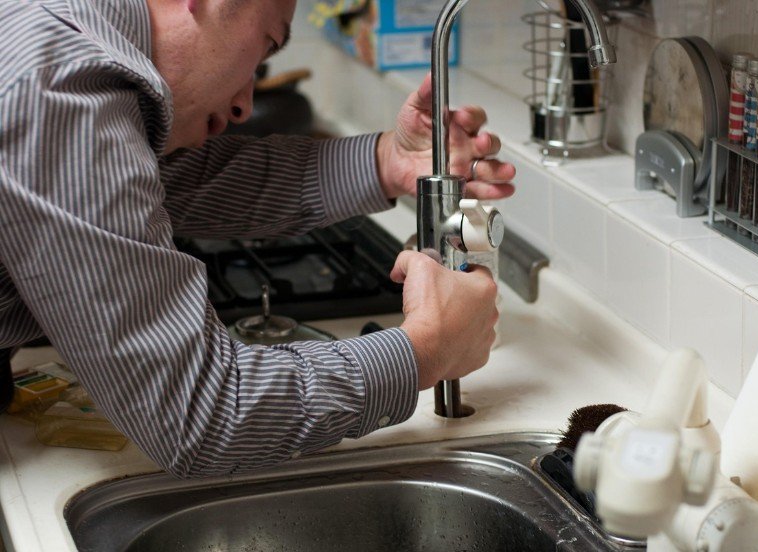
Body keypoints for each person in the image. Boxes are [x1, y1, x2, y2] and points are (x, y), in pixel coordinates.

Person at [0, 0, 516, 477]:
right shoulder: (62, 88)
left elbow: (179, 184)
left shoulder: (64, 35)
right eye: (266, 46)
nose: (246, 104)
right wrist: (425, 349)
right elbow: (200, 414)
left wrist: (388, 161)